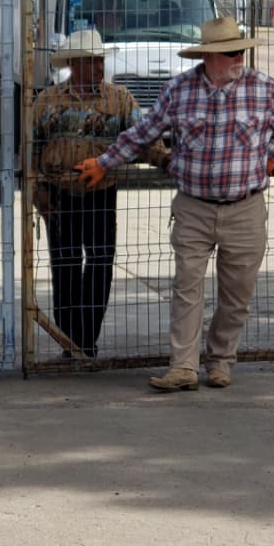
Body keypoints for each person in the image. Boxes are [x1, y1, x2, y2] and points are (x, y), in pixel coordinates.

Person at [74, 16, 274, 391]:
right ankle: (183, 366)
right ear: (210, 57)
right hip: (194, 207)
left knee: (237, 294)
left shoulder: (262, 89)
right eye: (230, 53)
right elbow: (143, 133)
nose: (237, 59)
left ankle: (220, 361)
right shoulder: (179, 91)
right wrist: (103, 163)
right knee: (187, 287)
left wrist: (272, 154)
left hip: (245, 207)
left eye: (240, 52)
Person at [32, 29, 166, 358]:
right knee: (64, 264)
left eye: (100, 61)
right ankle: (70, 339)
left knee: (100, 263)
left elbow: (142, 136)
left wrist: (166, 158)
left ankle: (86, 338)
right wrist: (36, 187)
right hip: (58, 193)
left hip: (101, 191)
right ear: (75, 64)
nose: (99, 68)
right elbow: (31, 147)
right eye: (92, 62)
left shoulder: (119, 99)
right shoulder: (47, 100)